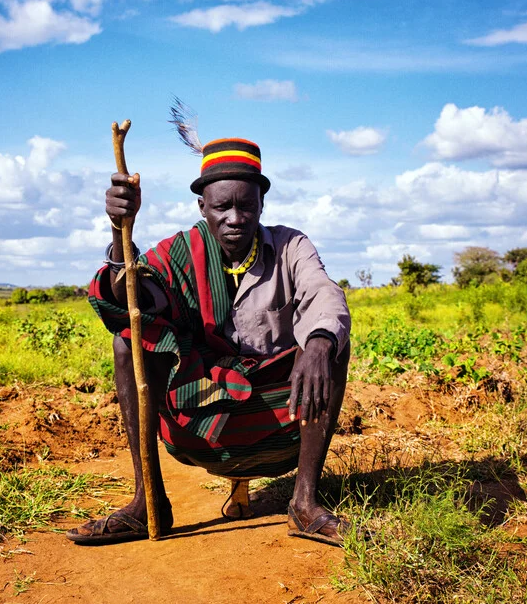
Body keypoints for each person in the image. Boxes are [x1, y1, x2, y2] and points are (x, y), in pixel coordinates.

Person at [66, 137, 351, 546]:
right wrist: (119, 231)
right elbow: (133, 297)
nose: (235, 218)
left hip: (278, 415)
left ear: (262, 205)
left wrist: (321, 341)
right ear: (203, 208)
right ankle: (148, 502)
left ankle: (304, 503)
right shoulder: (180, 252)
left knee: (330, 345)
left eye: (246, 206)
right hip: (200, 418)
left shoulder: (290, 246)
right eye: (222, 207)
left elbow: (323, 291)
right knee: (128, 344)